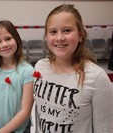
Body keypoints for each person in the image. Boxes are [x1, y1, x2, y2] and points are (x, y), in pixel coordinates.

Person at [33, 4, 113, 133]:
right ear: (46, 36)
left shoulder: (96, 78)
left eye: (67, 30)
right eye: (53, 32)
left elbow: (105, 128)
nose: (59, 38)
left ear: (81, 35)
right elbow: (40, 114)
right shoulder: (40, 67)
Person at [0, 20, 34, 133]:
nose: (4, 44)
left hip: (20, 129)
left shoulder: (27, 71)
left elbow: (25, 110)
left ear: (17, 39)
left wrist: (3, 132)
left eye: (8, 39)